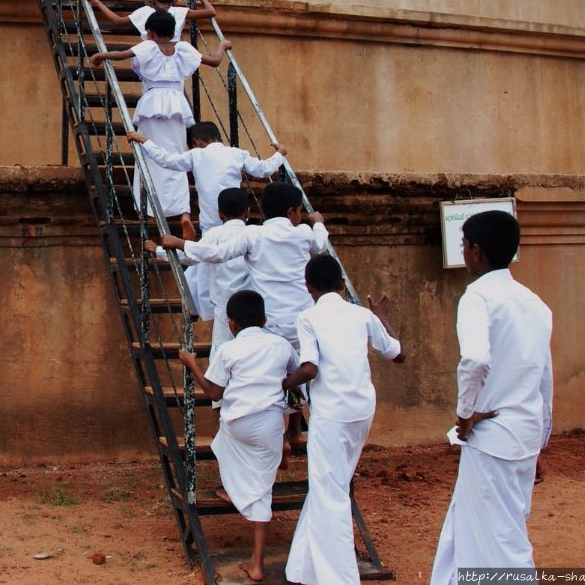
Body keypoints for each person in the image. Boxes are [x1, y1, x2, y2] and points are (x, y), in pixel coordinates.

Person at [429, 210, 553, 585]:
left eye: (464, 245)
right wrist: (542, 440)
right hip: (524, 434)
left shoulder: (478, 297)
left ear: (477, 251)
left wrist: (465, 413)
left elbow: (475, 358)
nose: (464, 252)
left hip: (493, 436)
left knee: (501, 542)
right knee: (471, 529)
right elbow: (544, 379)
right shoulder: (536, 304)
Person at [282, 254, 405, 585]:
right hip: (361, 412)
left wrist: (284, 383)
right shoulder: (363, 315)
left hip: (333, 415)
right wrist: (382, 317)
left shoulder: (307, 318)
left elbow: (310, 368)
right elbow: (398, 353)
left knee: (330, 493)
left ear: (308, 288)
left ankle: (340, 578)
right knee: (329, 485)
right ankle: (301, 569)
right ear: (340, 285)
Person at [179, 290, 298, 584]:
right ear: (265, 319)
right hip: (271, 423)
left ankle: (237, 497)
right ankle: (257, 562)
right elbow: (296, 378)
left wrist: (192, 363)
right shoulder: (281, 345)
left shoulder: (229, 350)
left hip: (238, 424)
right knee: (262, 486)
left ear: (231, 324)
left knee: (223, 444)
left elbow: (214, 393)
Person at [129, 121, 286, 329]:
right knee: (232, 269)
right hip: (238, 223)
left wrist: (145, 141)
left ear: (196, 142)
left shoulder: (196, 155)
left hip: (213, 226)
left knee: (201, 264)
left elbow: (167, 160)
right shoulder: (237, 153)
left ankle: (196, 308)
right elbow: (263, 170)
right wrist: (280, 154)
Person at [88, 11, 229, 227]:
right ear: (173, 31)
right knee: (177, 156)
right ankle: (182, 213)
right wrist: (223, 45)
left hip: (152, 104)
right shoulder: (182, 49)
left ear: (150, 33)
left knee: (149, 155)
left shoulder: (149, 47)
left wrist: (100, 56)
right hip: (176, 104)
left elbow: (122, 54)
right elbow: (215, 61)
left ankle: (151, 213)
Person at [153, 181, 328, 350]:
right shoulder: (304, 232)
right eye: (300, 210)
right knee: (303, 367)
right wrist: (318, 223)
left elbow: (218, 253)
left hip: (269, 321)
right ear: (291, 212)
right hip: (303, 318)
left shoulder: (252, 234)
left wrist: (181, 243)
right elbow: (320, 245)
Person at [85, 0, 216, 41]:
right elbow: (211, 12)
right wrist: (204, 0)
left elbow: (117, 21)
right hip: (173, 55)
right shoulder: (179, 11)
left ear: (152, 0)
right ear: (174, 2)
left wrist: (97, 2)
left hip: (149, 54)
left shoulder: (144, 11)